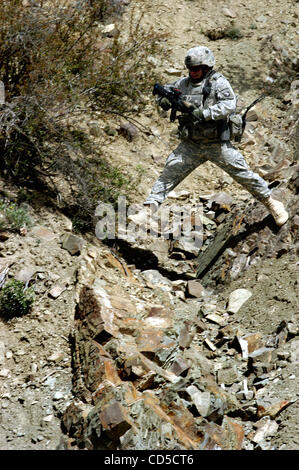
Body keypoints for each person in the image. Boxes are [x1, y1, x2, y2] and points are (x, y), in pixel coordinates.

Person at [128, 46, 288, 229]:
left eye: (196, 69)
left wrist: (204, 113)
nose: (193, 72)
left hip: (217, 144)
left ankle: (272, 204)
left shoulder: (218, 83)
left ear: (206, 67)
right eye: (190, 69)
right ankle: (147, 211)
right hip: (191, 145)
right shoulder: (183, 84)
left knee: (243, 174)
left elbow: (229, 105)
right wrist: (163, 101)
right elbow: (165, 95)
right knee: (168, 175)